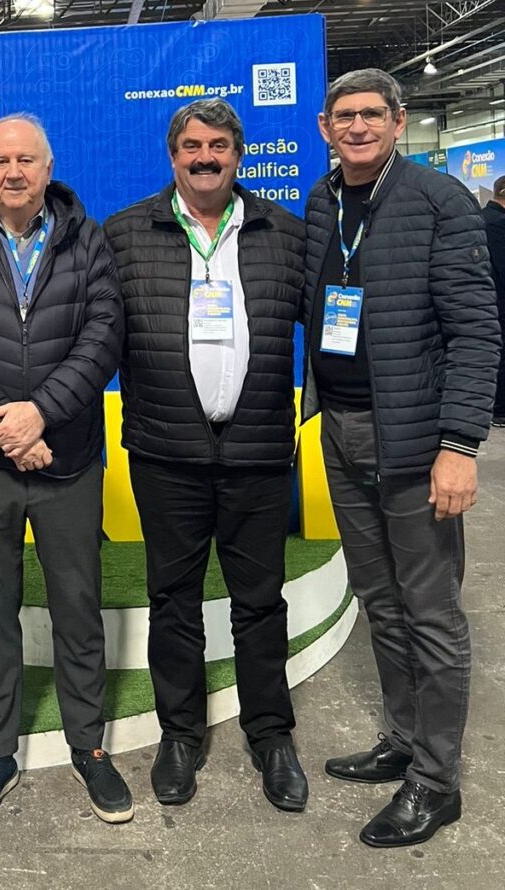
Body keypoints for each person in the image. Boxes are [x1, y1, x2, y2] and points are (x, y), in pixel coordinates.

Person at [304, 69, 500, 847]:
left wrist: (459, 446)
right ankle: (402, 735)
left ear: (397, 120)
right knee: (379, 602)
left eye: (370, 114)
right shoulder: (322, 201)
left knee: (430, 611)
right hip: (340, 429)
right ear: (325, 128)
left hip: (415, 441)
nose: (356, 127)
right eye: (344, 116)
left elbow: (476, 332)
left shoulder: (438, 201)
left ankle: (436, 781)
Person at [0, 113, 130, 831]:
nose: (13, 172)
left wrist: (40, 414)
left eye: (26, 160)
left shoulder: (87, 238)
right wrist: (7, 428)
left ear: (48, 168)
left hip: (68, 457)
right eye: (1, 161)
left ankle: (89, 747)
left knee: (78, 604)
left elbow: (103, 335)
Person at [103, 98, 308, 814]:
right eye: (192, 146)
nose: (205, 157)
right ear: (173, 157)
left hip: (258, 452)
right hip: (166, 454)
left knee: (260, 602)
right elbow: (93, 334)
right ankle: (180, 735)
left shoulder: (285, 232)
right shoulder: (126, 234)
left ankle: (271, 735)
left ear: (238, 155)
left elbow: (334, 326)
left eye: (218, 146)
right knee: (173, 601)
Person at [480, 174, 505, 427]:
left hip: (484, 300)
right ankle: (500, 409)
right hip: (499, 302)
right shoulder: (497, 224)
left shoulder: (480, 218)